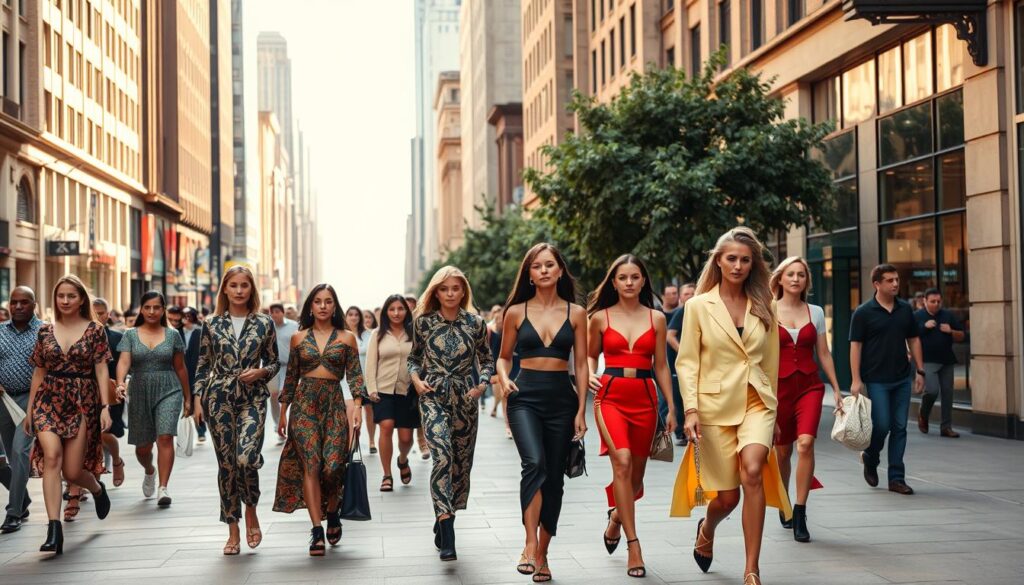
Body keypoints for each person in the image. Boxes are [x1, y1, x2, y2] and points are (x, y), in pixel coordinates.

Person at [676, 227, 780, 585]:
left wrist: (774, 409)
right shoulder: (697, 306)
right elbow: (687, 361)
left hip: (757, 402)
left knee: (753, 471)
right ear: (718, 261)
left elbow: (771, 360)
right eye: (731, 258)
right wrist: (690, 409)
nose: (738, 265)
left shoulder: (766, 303)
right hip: (714, 406)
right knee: (726, 497)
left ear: (753, 265)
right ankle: (708, 526)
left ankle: (752, 568)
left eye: (745, 260)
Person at [498, 244, 588, 582]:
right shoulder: (515, 312)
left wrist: (581, 410)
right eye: (537, 266)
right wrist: (504, 378)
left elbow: (580, 364)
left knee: (554, 479)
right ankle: (529, 544)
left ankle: (544, 555)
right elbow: (504, 357)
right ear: (530, 274)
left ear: (560, 270)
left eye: (550, 265)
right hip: (524, 397)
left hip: (562, 400)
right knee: (533, 464)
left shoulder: (577, 313)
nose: (545, 270)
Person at [589, 254, 677, 579]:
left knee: (636, 479)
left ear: (643, 281)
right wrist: (586, 376)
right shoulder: (599, 317)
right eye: (622, 277)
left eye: (635, 277)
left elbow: (662, 366)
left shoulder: (656, 318)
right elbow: (587, 355)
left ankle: (615, 518)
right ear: (613, 282)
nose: (629, 282)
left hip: (646, 397)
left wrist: (672, 407)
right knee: (622, 462)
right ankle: (633, 545)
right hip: (610, 396)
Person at [408, 266, 494, 562]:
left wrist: (483, 384)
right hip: (432, 396)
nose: (450, 294)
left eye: (455, 288)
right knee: (442, 456)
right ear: (436, 292)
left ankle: (445, 515)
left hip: (466, 399)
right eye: (444, 289)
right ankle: (448, 532)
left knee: (460, 465)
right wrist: (417, 381)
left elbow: (487, 360)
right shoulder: (423, 323)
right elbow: (413, 359)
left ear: (463, 291)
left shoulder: (476, 323)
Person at [192, 266, 280, 555]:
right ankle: (233, 529)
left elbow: (274, 362)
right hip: (219, 398)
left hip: (253, 397)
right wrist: (197, 400)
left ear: (252, 289)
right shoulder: (212, 323)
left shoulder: (264, 323)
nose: (239, 290)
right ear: (225, 289)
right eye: (234, 285)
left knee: (246, 457)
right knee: (227, 465)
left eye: (245, 285)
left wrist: (260, 373)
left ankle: (251, 507)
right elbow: (203, 365)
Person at [25, 275, 114, 555]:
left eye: (71, 296)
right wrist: (30, 411)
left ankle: (97, 489)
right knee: (51, 457)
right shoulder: (44, 331)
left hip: (81, 399)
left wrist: (104, 407)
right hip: (48, 398)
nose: (65, 301)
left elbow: (101, 369)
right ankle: (54, 529)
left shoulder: (94, 330)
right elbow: (38, 371)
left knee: (72, 471)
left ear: (81, 299)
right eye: (60, 296)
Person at [274, 284, 364, 555]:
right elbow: (290, 378)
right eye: (317, 301)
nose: (323, 306)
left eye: (328, 301)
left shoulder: (347, 338)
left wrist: (358, 407)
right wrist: (282, 412)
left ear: (334, 306)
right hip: (304, 405)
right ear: (310, 306)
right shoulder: (298, 338)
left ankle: (333, 511)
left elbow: (356, 376)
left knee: (333, 466)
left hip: (334, 406)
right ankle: (316, 530)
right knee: (311, 465)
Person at [769, 257, 843, 542]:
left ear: (806, 281)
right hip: (778, 390)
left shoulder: (816, 312)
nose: (796, 279)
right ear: (781, 279)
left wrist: (836, 388)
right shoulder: (767, 310)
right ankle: (784, 500)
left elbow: (823, 353)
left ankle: (800, 511)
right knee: (783, 452)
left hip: (810, 387)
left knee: (806, 443)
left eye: (801, 274)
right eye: (791, 274)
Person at [850, 264, 926, 496]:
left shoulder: (905, 310)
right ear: (877, 284)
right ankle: (871, 457)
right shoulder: (863, 312)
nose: (895, 284)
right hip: (876, 380)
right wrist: (856, 380)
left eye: (896, 280)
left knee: (900, 428)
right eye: (890, 280)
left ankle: (896, 478)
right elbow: (856, 346)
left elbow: (913, 340)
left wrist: (920, 371)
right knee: (881, 425)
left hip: (902, 378)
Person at [115, 291, 192, 507]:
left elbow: (180, 367)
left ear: (163, 309)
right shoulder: (130, 335)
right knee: (142, 448)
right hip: (139, 390)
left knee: (165, 437)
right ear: (141, 309)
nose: (151, 311)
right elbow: (123, 361)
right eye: (147, 307)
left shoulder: (173, 335)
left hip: (169, 388)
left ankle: (163, 487)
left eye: (156, 307)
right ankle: (150, 470)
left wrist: (188, 397)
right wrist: (120, 382)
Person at [0, 287, 42, 534]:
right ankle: (23, 499)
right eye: (13, 302)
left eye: (23, 302)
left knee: (19, 451)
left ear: (34, 305)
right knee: (6, 460)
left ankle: (13, 512)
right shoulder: (0, 331)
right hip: (4, 400)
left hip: (31, 398)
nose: (17, 307)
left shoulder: (44, 331)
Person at [366, 294, 416, 492]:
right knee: (385, 426)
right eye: (392, 309)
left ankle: (402, 460)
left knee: (405, 438)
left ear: (406, 311)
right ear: (386, 312)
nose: (396, 313)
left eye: (400, 309)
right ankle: (387, 475)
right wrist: (371, 390)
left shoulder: (414, 334)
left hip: (408, 390)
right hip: (383, 390)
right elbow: (370, 364)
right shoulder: (377, 334)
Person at [914, 289, 965, 438]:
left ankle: (946, 427)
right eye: (932, 301)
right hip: (927, 360)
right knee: (932, 391)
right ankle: (923, 413)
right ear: (924, 301)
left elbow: (962, 335)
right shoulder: (917, 316)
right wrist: (924, 327)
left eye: (938, 301)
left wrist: (951, 331)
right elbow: (908, 336)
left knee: (948, 394)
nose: (936, 304)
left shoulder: (948, 315)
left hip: (947, 360)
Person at [92, 298, 126, 490]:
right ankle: (83, 482)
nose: (97, 316)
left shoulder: (117, 338)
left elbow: (123, 366)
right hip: (85, 391)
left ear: (108, 315)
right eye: (93, 312)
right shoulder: (82, 335)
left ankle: (116, 460)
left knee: (105, 433)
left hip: (111, 392)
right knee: (87, 436)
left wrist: (120, 386)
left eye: (101, 312)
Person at [344, 306, 376, 454]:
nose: (354, 317)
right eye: (350, 314)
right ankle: (354, 440)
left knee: (369, 411)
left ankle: (371, 441)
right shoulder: (342, 335)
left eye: (356, 314)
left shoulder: (369, 335)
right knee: (352, 411)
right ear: (346, 316)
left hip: (367, 379)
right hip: (348, 380)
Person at [268, 303, 300, 443]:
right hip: (274, 367)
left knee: (287, 395)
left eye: (277, 311)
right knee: (274, 396)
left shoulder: (294, 326)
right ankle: (277, 426)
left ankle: (290, 426)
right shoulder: (268, 328)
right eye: (272, 312)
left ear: (282, 313)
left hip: (290, 367)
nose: (274, 315)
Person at [488, 305, 518, 434]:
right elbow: (493, 353)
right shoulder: (494, 330)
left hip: (518, 364)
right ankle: (508, 425)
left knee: (510, 394)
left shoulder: (520, 327)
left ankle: (502, 413)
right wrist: (492, 373)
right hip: (501, 365)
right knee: (503, 394)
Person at [181, 308, 205, 442]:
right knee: (185, 402)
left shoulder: (199, 332)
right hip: (181, 372)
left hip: (197, 371)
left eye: (188, 316)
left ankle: (201, 430)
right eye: (184, 316)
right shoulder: (177, 332)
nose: (186, 319)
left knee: (198, 400)